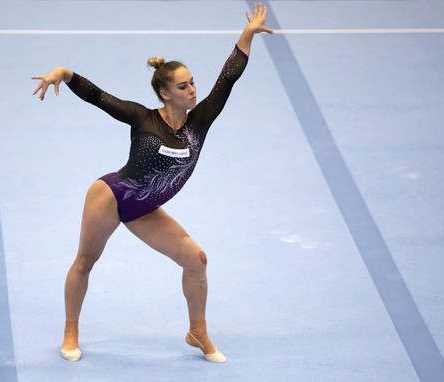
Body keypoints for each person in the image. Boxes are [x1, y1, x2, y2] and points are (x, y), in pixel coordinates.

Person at [31, 3, 273, 363]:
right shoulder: (141, 118)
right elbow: (98, 97)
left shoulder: (199, 122)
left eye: (192, 82)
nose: (192, 90)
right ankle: (70, 331)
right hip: (111, 197)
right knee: (85, 261)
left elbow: (229, 76)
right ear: (165, 93)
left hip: (145, 209)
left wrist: (246, 35)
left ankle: (197, 332)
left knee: (196, 260)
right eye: (183, 85)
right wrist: (64, 73)